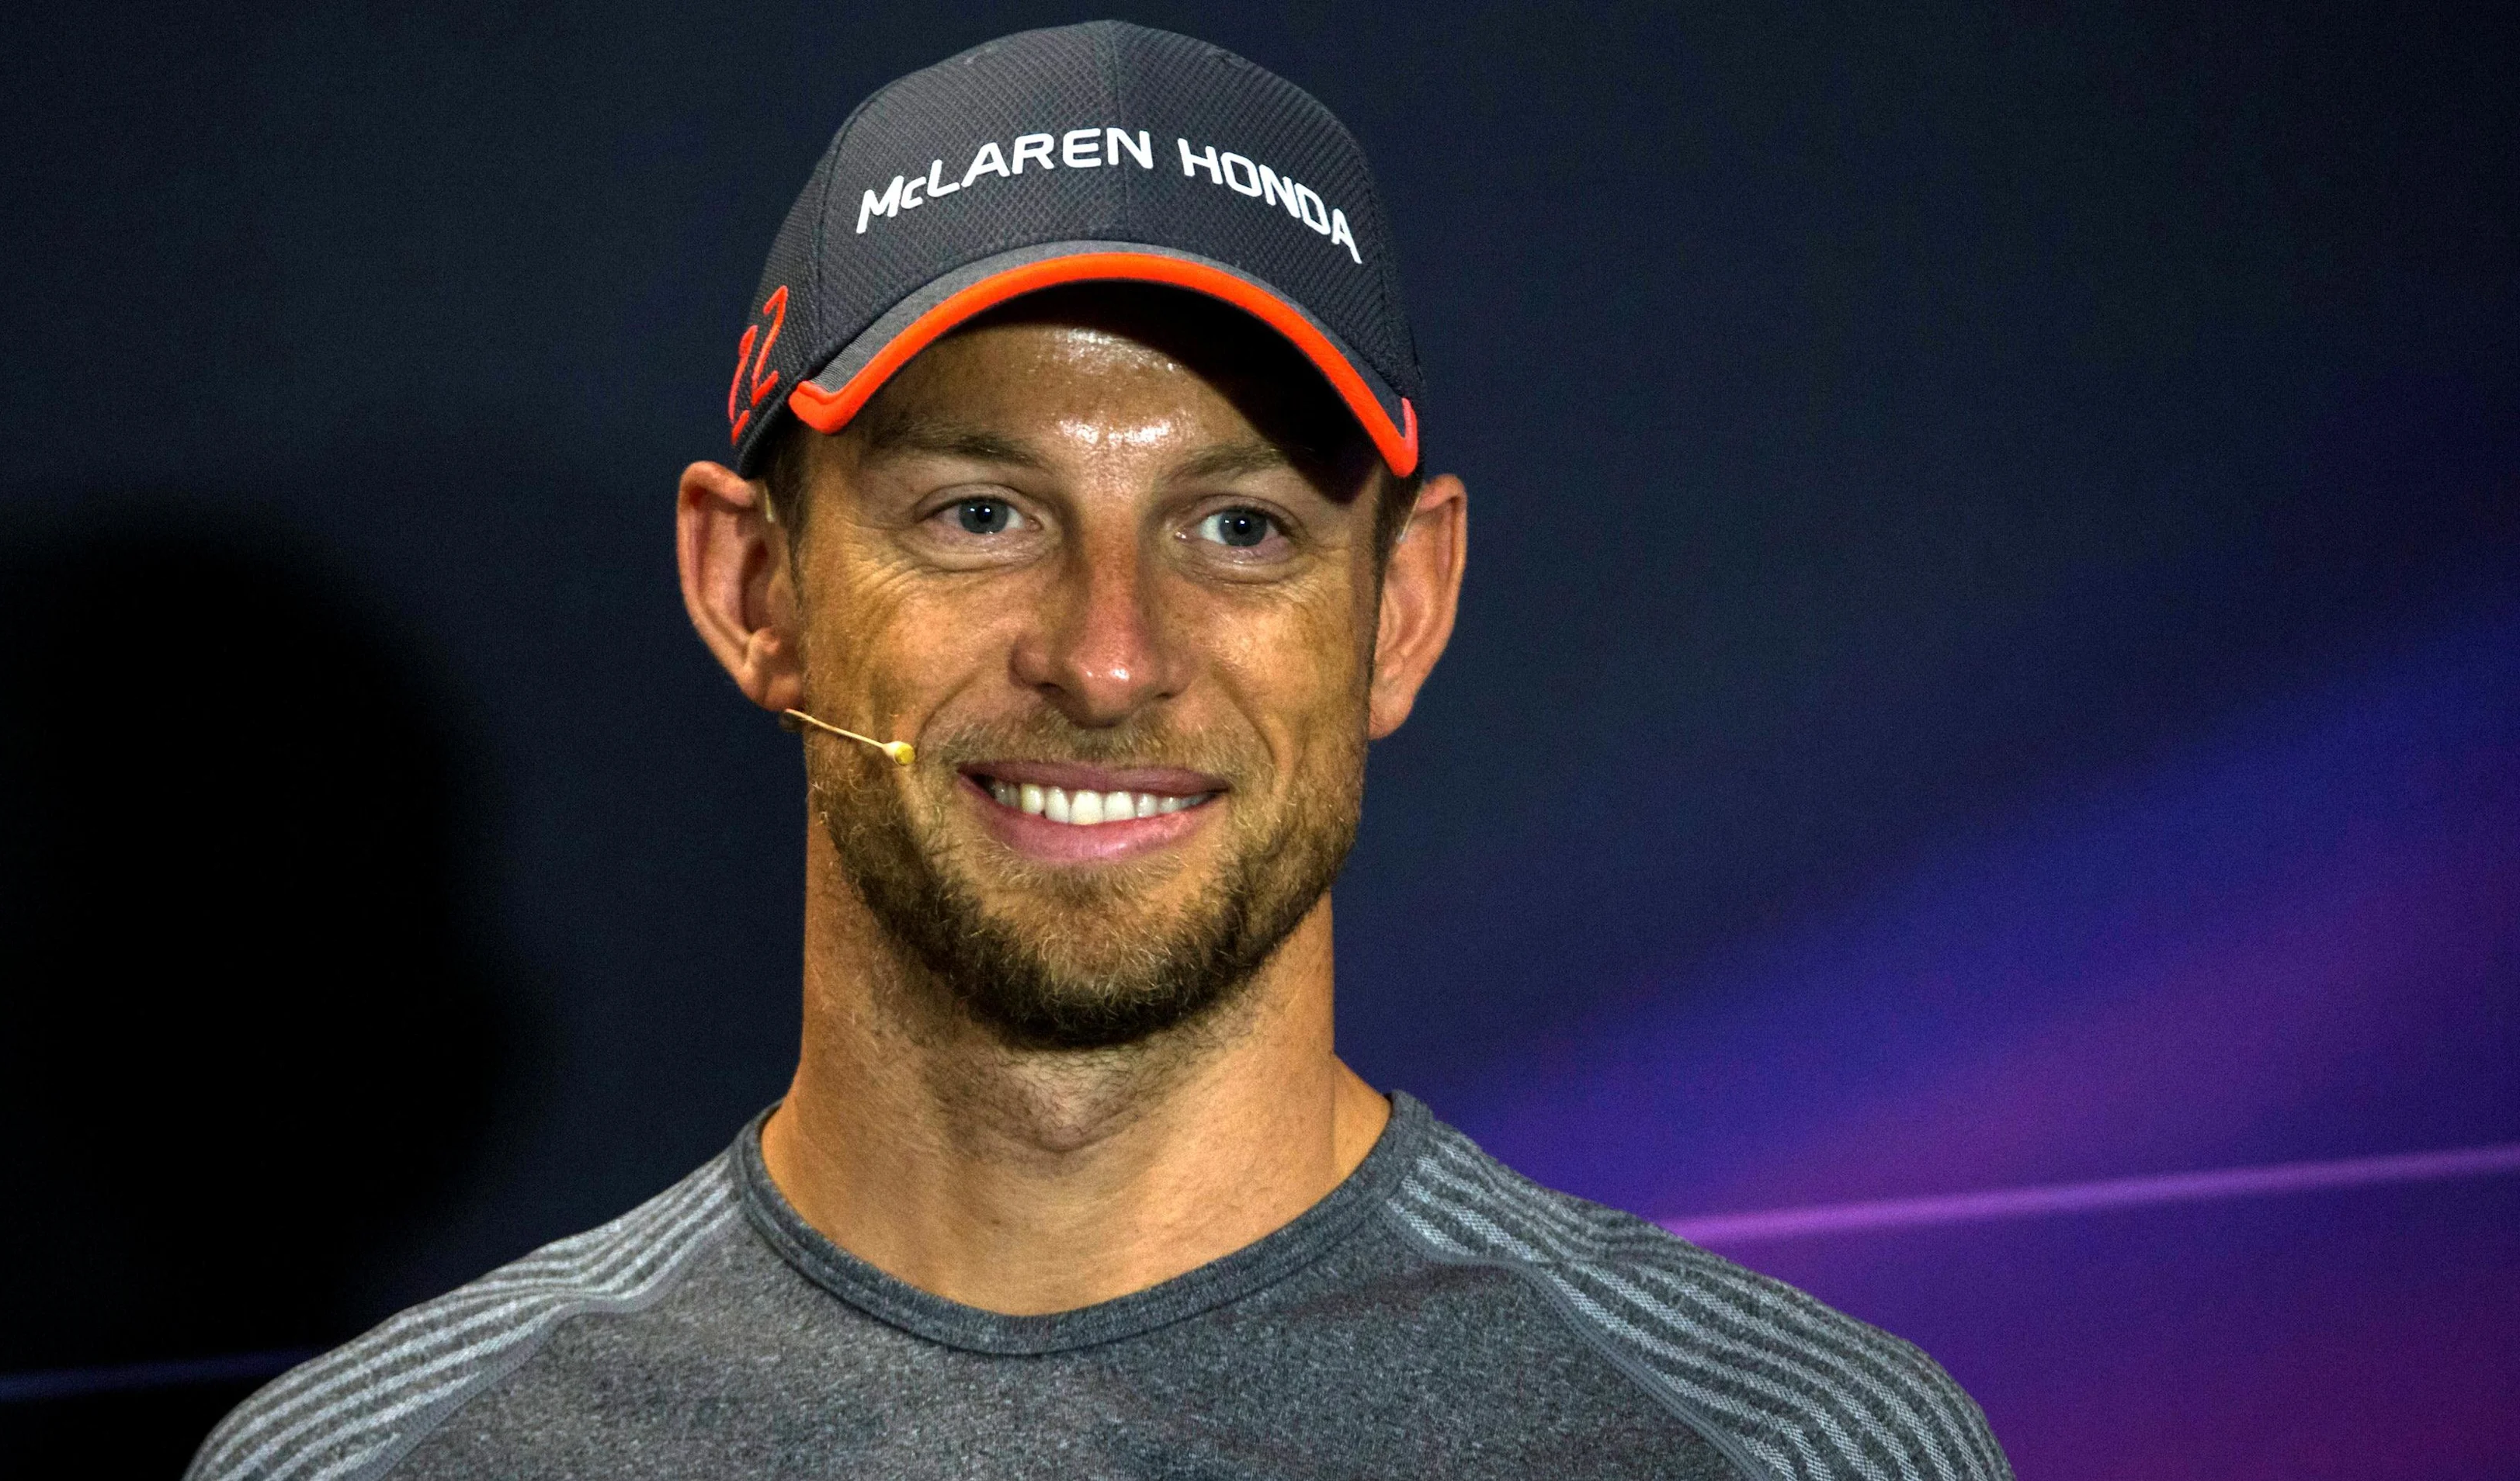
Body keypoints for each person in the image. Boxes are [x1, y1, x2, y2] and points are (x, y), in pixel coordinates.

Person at [190, 22, 2009, 1480]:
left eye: (1241, 530)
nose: (1111, 656)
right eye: (982, 512)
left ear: (1400, 608)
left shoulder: (1792, 1451)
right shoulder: (376, 1464)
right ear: (753, 586)